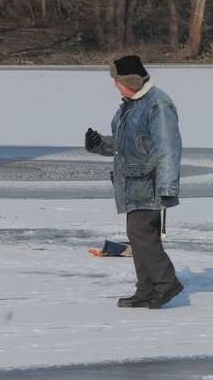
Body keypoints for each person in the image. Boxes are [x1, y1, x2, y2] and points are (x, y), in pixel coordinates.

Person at [84, 55, 184, 309]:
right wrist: (99, 145)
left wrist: (167, 187)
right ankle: (146, 289)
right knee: (139, 235)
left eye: (116, 80)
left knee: (142, 234)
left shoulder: (158, 105)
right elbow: (126, 146)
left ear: (129, 80)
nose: (114, 85)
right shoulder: (129, 104)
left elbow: (168, 148)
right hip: (131, 183)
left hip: (150, 183)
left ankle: (166, 283)